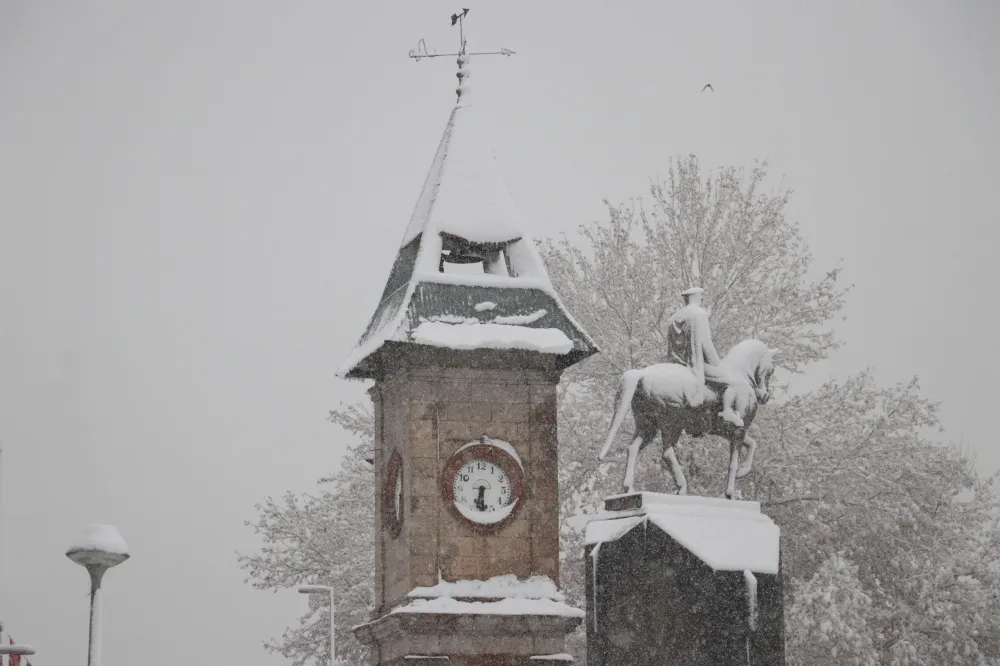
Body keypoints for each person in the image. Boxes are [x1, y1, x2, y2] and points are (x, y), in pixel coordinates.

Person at [666, 287, 747, 426]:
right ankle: (727, 411)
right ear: (695, 297)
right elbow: (705, 343)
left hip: (676, 364)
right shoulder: (698, 313)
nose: (702, 299)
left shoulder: (674, 318)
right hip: (694, 364)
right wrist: (717, 364)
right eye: (701, 296)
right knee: (729, 382)